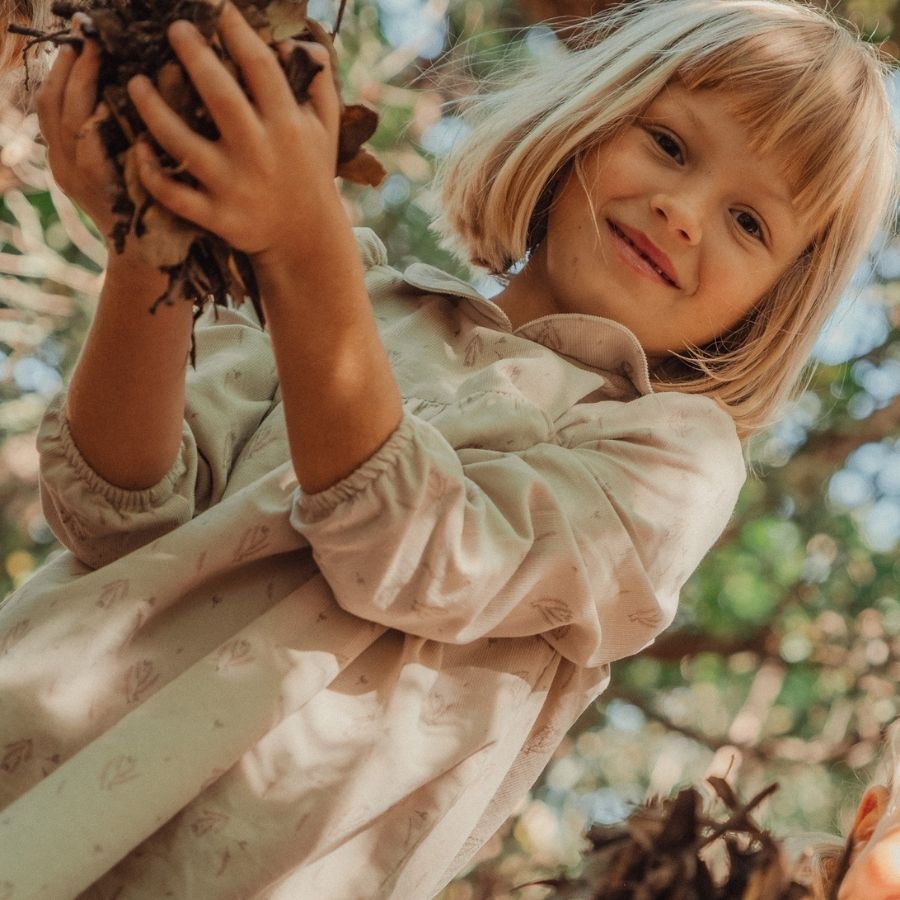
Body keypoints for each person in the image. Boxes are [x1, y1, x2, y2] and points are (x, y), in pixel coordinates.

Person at [0, 0, 894, 896]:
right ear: (586, 125)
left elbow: (418, 547)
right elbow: (113, 514)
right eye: (668, 144)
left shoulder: (667, 459)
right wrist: (146, 245)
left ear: (770, 306)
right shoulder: (343, 291)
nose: (684, 210)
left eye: (750, 223)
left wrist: (301, 245)